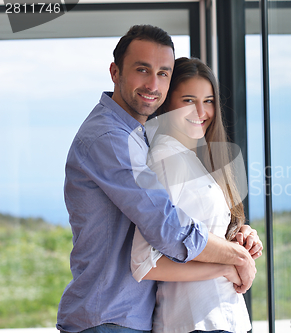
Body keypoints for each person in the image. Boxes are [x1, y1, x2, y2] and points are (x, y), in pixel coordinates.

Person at [57, 25, 261, 333]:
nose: (153, 83)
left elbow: (180, 217)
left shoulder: (140, 138)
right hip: (109, 318)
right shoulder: (110, 138)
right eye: (142, 70)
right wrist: (234, 258)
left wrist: (237, 235)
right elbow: (167, 226)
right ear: (115, 72)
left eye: (163, 73)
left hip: (129, 317)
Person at [130, 57, 254, 333]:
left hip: (224, 318)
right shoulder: (166, 161)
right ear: (167, 104)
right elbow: (145, 264)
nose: (201, 111)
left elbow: (201, 230)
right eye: (188, 100)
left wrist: (241, 235)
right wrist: (225, 265)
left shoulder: (194, 159)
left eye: (208, 100)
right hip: (195, 322)